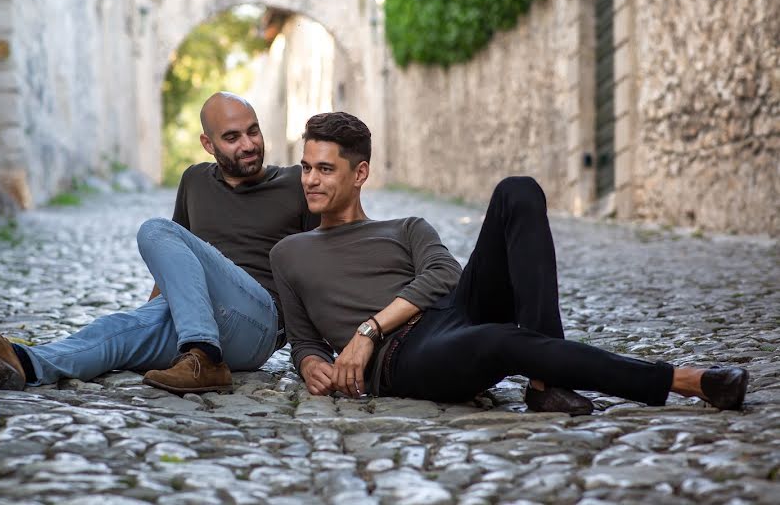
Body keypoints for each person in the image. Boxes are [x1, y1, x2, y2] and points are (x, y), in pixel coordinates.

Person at [270, 112, 749, 414]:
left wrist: (367, 329)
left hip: (446, 313)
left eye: (325, 169)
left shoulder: (407, 227)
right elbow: (304, 339)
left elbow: (443, 277)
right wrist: (314, 363)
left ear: (360, 174)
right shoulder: (289, 253)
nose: (310, 179)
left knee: (518, 189)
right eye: (307, 167)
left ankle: (546, 383)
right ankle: (685, 381)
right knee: (500, 340)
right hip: (402, 360)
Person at [0, 92, 319, 395]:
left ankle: (207, 358)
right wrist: (148, 317)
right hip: (195, 319)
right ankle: (21, 362)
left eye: (253, 131)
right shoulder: (195, 181)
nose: (248, 144)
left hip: (257, 323)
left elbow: (322, 265)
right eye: (232, 137)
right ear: (208, 143)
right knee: (115, 331)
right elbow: (174, 264)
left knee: (154, 230)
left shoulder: (296, 184)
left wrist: (315, 352)